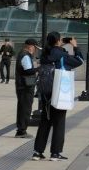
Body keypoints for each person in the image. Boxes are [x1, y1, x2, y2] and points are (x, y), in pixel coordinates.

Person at [33, 31, 84, 161]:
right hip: (59, 92)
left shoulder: (45, 54)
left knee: (45, 121)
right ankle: (55, 153)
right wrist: (75, 46)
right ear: (57, 41)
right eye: (60, 39)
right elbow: (80, 60)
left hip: (45, 92)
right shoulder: (62, 55)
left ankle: (37, 152)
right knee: (59, 122)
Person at [13, 38, 39, 138]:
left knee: (22, 108)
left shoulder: (23, 54)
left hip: (22, 86)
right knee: (25, 108)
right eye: (35, 48)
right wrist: (39, 68)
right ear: (30, 46)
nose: (35, 50)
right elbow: (28, 71)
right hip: (25, 87)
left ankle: (21, 129)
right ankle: (21, 131)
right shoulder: (25, 56)